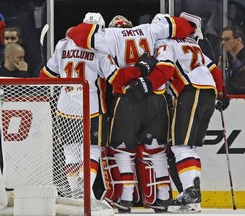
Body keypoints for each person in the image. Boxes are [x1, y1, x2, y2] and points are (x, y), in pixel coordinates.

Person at [66, 13, 195, 212]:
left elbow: (78, 34)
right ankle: (162, 197)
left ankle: (125, 197)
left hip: (126, 99)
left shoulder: (108, 36)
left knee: (122, 150)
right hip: (156, 99)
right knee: (157, 149)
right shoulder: (151, 29)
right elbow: (186, 26)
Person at [39, 12, 155, 200]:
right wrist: (140, 68)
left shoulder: (62, 44)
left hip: (65, 107)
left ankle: (75, 192)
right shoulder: (101, 51)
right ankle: (86, 192)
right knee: (92, 150)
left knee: (71, 151)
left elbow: (46, 76)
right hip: (92, 107)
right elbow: (117, 80)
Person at [152, 12, 230, 213]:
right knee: (190, 146)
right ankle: (192, 201)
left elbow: (166, 69)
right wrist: (222, 93)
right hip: (209, 93)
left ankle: (189, 190)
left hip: (190, 90)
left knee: (180, 145)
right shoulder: (192, 43)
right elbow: (215, 71)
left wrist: (147, 85)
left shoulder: (165, 42)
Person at [220, 25, 245, 94]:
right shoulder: (233, 59)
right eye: (222, 39)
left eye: (227, 39)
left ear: (239, 40)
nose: (223, 43)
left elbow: (240, 90)